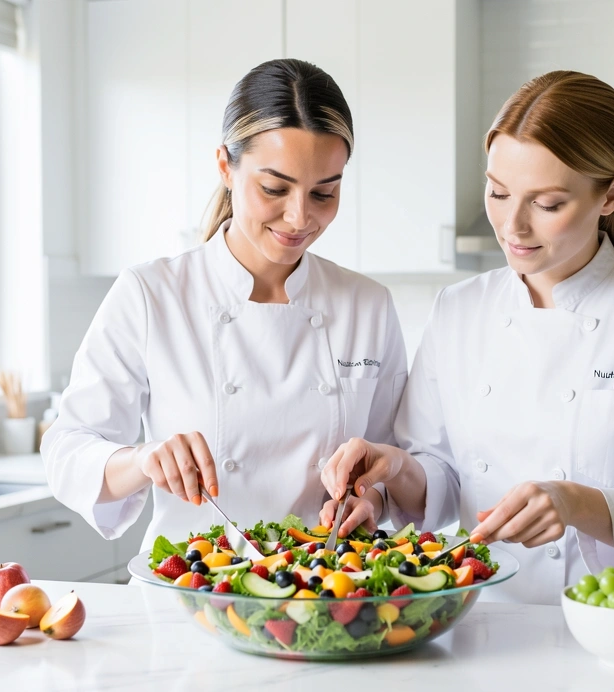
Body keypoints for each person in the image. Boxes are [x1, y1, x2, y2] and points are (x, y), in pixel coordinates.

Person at [320, 70, 614, 604]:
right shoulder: (459, 309)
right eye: (498, 191)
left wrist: (574, 503)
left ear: (611, 194)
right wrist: (395, 469)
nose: (512, 225)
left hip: (611, 621)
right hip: (473, 613)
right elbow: (442, 484)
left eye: (547, 203)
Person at [42, 59, 406, 555]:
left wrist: (376, 500)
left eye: (325, 192)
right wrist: (145, 459)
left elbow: (393, 461)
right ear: (225, 167)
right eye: (274, 188)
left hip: (330, 595)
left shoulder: (368, 306)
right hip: (190, 595)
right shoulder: (151, 295)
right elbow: (67, 453)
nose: (300, 217)